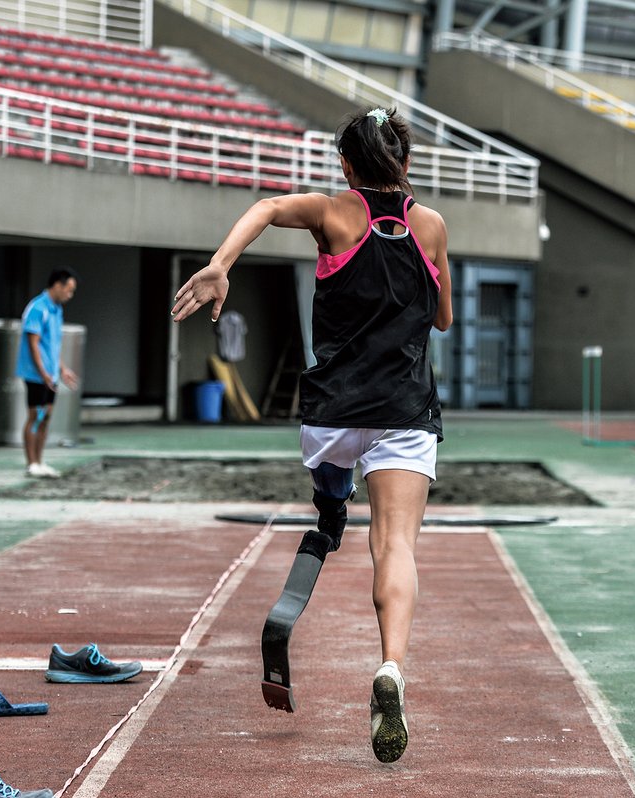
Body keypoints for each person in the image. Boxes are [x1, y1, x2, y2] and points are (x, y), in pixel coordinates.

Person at [171, 107, 452, 763]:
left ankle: (329, 515)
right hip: (404, 413)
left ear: (347, 166)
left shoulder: (332, 214)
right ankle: (390, 667)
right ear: (406, 164)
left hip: (331, 417)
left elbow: (268, 207)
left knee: (333, 509)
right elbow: (440, 319)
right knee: (396, 546)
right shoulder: (432, 226)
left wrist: (220, 264)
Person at [17, 269, 79, 478]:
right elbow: (34, 345)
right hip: (36, 375)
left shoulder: (56, 309)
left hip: (51, 375)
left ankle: (40, 461)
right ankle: (31, 463)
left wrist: (62, 369)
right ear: (58, 285)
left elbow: (51, 346)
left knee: (46, 416)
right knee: (35, 416)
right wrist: (43, 373)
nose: (70, 296)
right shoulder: (38, 308)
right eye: (69, 291)